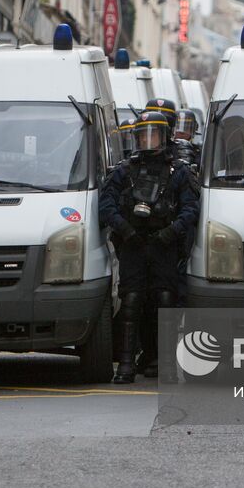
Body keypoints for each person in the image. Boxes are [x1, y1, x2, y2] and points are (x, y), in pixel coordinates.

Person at [99, 114, 199, 383]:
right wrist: (125, 230)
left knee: (165, 301)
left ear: (165, 138)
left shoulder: (178, 171)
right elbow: (106, 205)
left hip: (163, 244)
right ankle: (126, 366)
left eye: (153, 135)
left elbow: (191, 209)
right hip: (134, 244)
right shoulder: (124, 170)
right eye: (143, 135)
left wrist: (172, 232)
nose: (148, 141)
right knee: (131, 302)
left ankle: (165, 364)